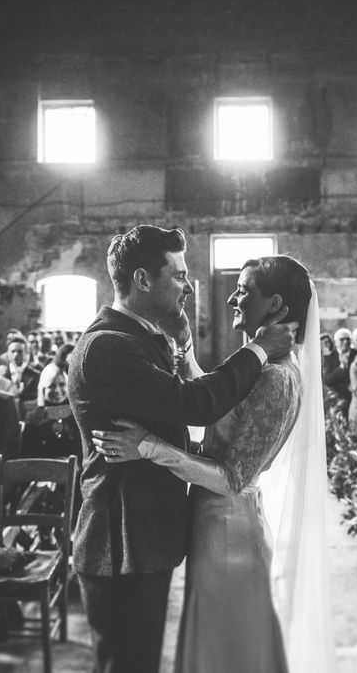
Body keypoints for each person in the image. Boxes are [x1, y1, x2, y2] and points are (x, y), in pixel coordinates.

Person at [66, 225, 297, 673]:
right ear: (142, 280)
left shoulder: (137, 337)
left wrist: (155, 443)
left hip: (148, 538)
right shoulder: (110, 346)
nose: (188, 286)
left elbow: (181, 415)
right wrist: (258, 350)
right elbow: (194, 403)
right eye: (178, 275)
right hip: (122, 542)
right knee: (126, 665)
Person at [322, 328, 355, 416]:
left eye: (348, 339)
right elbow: (328, 380)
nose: (345, 342)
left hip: (354, 399)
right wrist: (341, 368)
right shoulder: (329, 358)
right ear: (335, 342)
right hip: (337, 400)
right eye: (342, 339)